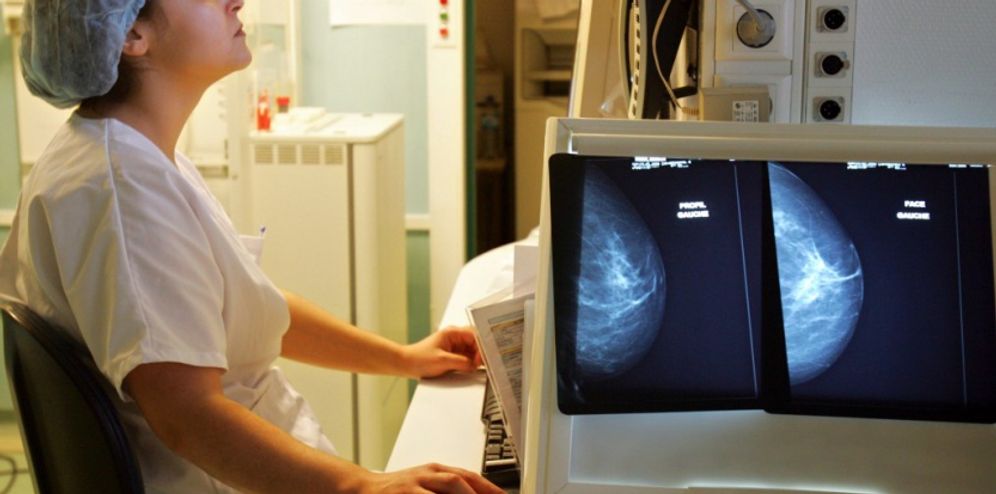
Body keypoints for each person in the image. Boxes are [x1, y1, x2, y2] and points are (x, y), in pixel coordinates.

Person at [0, 1, 504, 493]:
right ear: (132, 34)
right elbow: (187, 415)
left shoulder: (133, 158)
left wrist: (404, 358)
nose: (236, 2)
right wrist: (362, 486)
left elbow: (249, 310)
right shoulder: (123, 188)